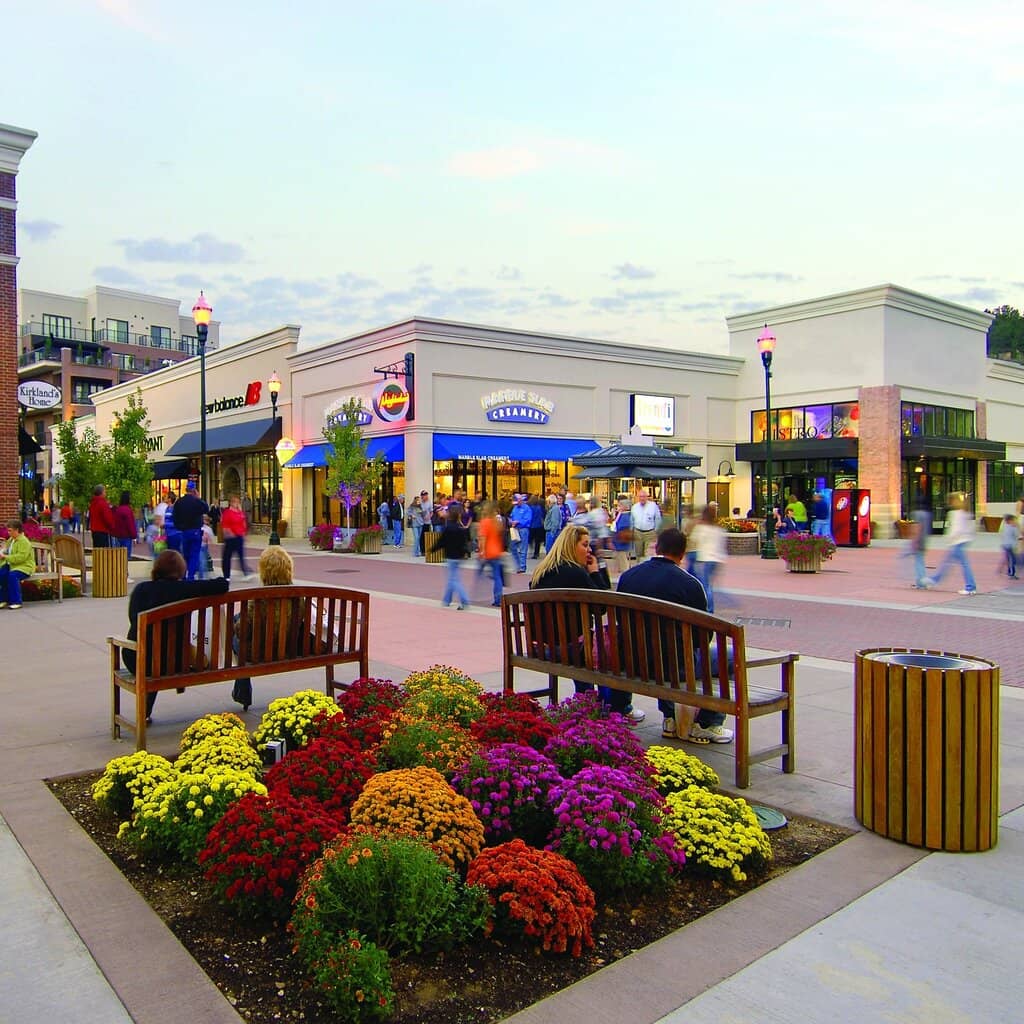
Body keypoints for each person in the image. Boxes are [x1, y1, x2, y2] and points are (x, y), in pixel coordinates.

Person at [616, 527, 734, 744]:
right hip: (675, 667)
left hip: (632, 662)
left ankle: (671, 718)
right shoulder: (689, 584)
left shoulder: (628, 577)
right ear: (682, 553)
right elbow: (702, 638)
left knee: (663, 649)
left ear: (657, 547)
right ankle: (707, 723)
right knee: (730, 657)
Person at [530, 525, 643, 723]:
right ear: (570, 546)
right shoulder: (576, 573)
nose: (589, 550)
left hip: (544, 648)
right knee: (614, 649)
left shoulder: (540, 572)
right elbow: (600, 608)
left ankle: (587, 701)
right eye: (584, 545)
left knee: (587, 646)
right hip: (573, 648)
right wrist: (595, 571)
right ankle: (616, 707)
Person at [121, 550, 229, 722]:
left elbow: (132, 619)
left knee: (153, 648)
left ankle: (144, 714)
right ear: (180, 570)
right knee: (171, 651)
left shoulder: (141, 590)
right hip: (176, 662)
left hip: (138, 660)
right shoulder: (183, 589)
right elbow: (222, 585)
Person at [231, 546, 294, 711]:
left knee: (237, 636)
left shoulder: (259, 598)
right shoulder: (298, 596)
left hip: (258, 652)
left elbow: (244, 632)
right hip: (288, 648)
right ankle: (241, 692)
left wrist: (236, 623)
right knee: (238, 620)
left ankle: (242, 693)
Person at [925, 495, 977, 595]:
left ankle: (970, 587)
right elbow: (970, 528)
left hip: (956, 542)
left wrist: (950, 538)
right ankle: (934, 580)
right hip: (963, 541)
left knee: (956, 564)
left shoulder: (955, 513)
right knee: (948, 563)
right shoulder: (966, 512)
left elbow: (956, 529)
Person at [688, 504, 727, 613]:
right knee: (709, 584)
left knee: (705, 585)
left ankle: (708, 609)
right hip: (717, 559)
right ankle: (708, 606)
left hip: (705, 558)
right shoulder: (718, 529)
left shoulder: (701, 528)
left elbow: (693, 539)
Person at [173, 481, 209, 581]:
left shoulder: (179, 502)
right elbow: (206, 508)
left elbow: (174, 516)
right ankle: (191, 576)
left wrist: (179, 527)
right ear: (194, 490)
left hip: (184, 531)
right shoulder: (196, 501)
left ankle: (184, 575)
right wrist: (199, 498)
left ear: (186, 489)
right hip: (196, 531)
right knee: (194, 554)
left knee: (185, 554)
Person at [439, 507, 471, 609]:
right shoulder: (460, 528)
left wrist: (433, 549)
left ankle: (464, 600)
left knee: (454, 580)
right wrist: (465, 552)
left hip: (451, 556)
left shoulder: (448, 528)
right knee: (452, 578)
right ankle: (446, 600)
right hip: (458, 556)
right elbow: (464, 543)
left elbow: (442, 541)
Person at [476, 502, 506, 606]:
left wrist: (482, 551)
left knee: (479, 572)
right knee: (497, 576)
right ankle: (498, 599)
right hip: (496, 552)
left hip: (488, 552)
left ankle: (477, 592)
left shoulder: (484, 522)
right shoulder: (497, 522)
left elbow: (482, 538)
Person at [0, 520, 34, 609]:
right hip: (12, 565)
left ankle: (16, 601)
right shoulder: (11, 540)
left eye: (10, 530)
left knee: (12, 575)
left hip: (24, 567)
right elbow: (7, 551)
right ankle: (3, 600)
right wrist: (3, 551)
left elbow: (21, 557)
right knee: (2, 574)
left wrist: (5, 557)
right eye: (8, 530)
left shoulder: (24, 541)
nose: (8, 532)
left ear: (17, 530)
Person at [220, 494, 253, 580]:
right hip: (231, 538)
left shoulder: (240, 513)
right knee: (227, 557)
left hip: (239, 537)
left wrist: (244, 534)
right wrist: (229, 534)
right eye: (235, 502)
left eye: (238, 502)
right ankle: (227, 576)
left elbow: (243, 523)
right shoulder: (227, 513)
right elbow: (225, 526)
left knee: (241, 556)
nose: (237, 503)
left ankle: (246, 572)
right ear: (231, 503)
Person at [905, 496, 933, 589]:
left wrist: (914, 541)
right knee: (920, 561)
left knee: (918, 562)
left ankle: (921, 582)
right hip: (924, 539)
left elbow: (917, 528)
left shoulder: (917, 514)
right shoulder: (927, 514)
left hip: (918, 540)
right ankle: (921, 581)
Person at [630, 489, 662, 561]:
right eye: (640, 496)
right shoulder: (634, 507)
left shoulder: (653, 506)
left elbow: (658, 519)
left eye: (644, 496)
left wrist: (655, 531)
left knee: (648, 553)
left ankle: (647, 569)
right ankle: (639, 568)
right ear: (638, 497)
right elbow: (631, 520)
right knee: (638, 553)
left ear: (647, 497)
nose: (642, 498)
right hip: (637, 532)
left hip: (650, 533)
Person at [508, 493, 533, 574]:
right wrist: (511, 521)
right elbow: (511, 516)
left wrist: (518, 522)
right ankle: (518, 564)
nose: (516, 504)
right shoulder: (515, 508)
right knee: (512, 547)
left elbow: (528, 520)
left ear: (520, 500)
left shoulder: (527, 508)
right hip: (515, 529)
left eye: (517, 502)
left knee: (523, 548)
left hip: (523, 529)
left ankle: (522, 567)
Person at [610, 497, 633, 578]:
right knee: (621, 560)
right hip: (619, 543)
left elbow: (621, 528)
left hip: (621, 543)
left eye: (620, 505)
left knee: (623, 562)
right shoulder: (621, 514)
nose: (618, 507)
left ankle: (627, 576)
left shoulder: (626, 516)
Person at [88, 484, 115, 548]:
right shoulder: (103, 503)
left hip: (94, 530)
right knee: (103, 552)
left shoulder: (93, 503)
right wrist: (112, 526)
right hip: (102, 531)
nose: (106, 493)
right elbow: (107, 518)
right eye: (105, 491)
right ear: (101, 492)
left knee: (97, 550)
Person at [112, 491, 137, 558]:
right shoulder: (127, 510)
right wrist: (134, 536)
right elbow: (130, 524)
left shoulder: (118, 510)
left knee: (118, 557)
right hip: (126, 536)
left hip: (118, 536)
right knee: (126, 557)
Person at [999, 513, 1020, 579]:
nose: (1015, 521)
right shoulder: (1013, 527)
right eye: (1014, 520)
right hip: (1010, 546)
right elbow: (1016, 535)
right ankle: (1012, 574)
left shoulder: (1005, 526)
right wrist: (1017, 527)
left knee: (1008, 559)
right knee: (1012, 560)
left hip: (1005, 545)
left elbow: (1002, 535)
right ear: (1010, 520)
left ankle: (1009, 571)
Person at [529, 495, 545, 559]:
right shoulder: (539, 507)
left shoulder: (530, 508)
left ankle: (531, 551)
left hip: (532, 526)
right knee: (537, 541)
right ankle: (536, 553)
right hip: (539, 526)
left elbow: (530, 517)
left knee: (531, 539)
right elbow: (542, 515)